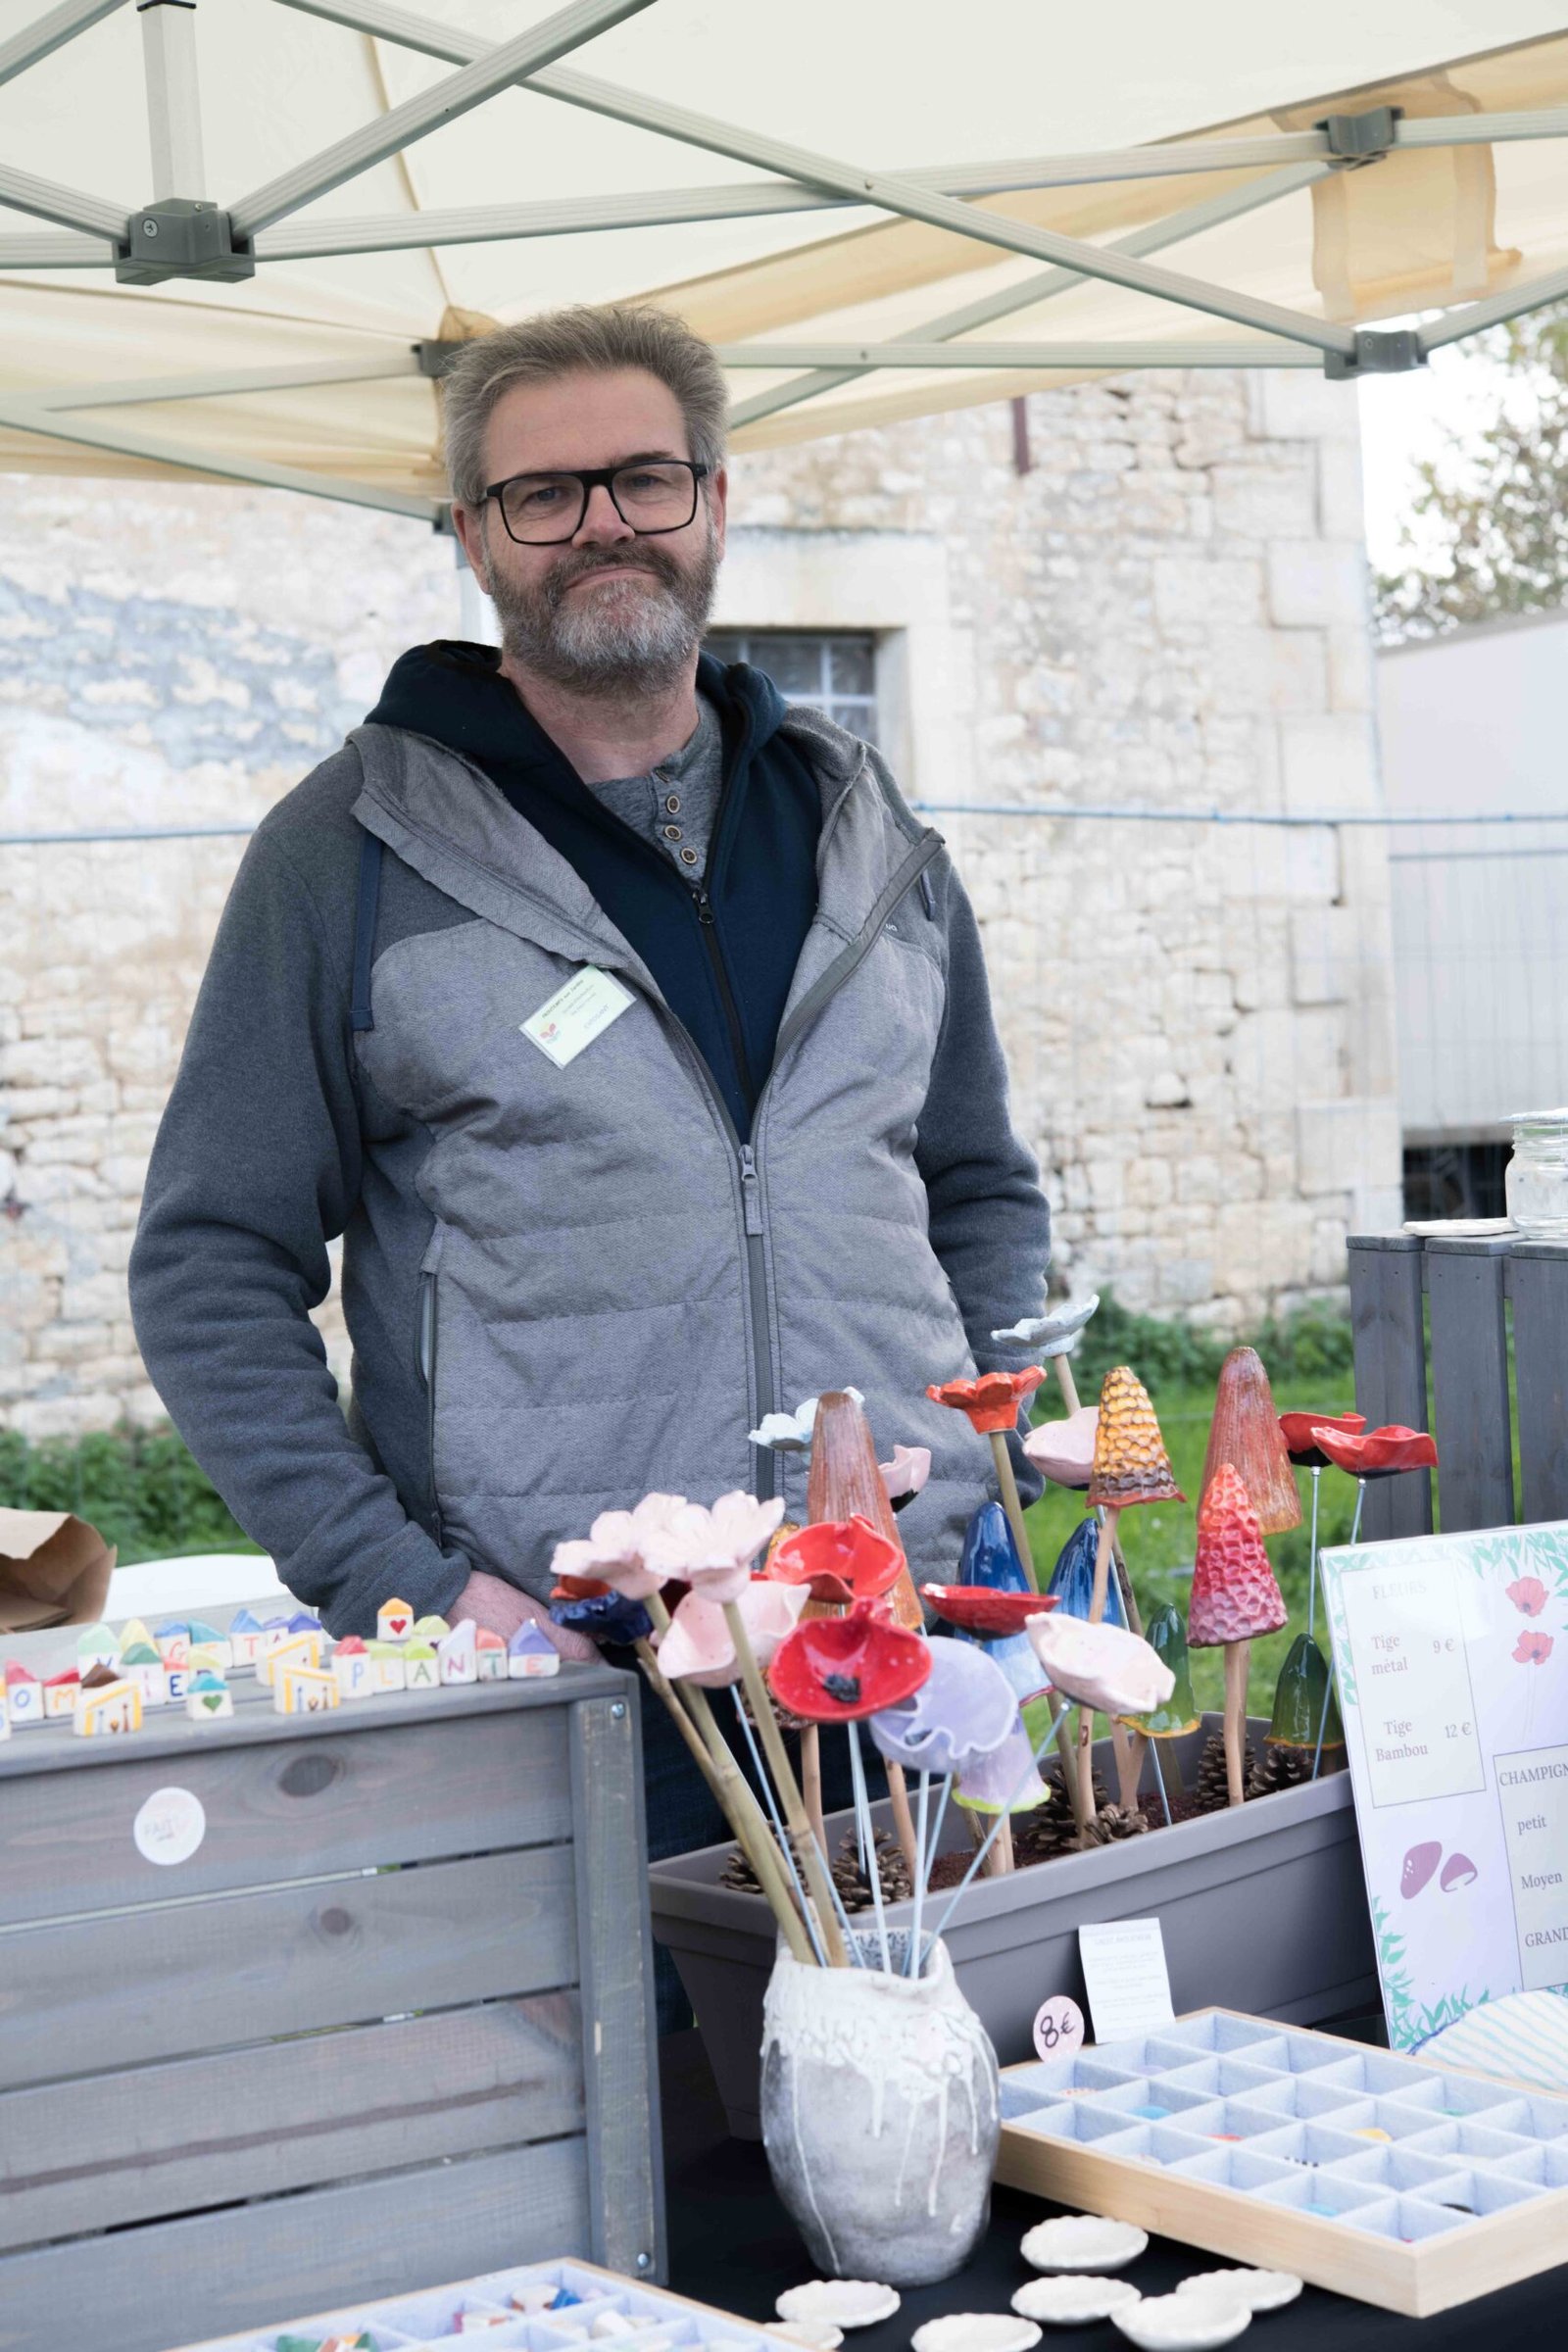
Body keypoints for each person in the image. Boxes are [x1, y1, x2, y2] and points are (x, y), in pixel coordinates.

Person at [129, 303, 1051, 1895]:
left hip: (914, 1649)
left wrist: (986, 1470)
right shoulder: (349, 852)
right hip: (579, 1679)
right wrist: (404, 1589)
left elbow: (976, 1184)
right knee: (653, 2135)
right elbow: (210, 1262)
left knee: (966, 2103)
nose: (602, 525)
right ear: (477, 542)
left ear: (713, 499)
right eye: (542, 496)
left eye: (644, 479)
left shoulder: (861, 823)